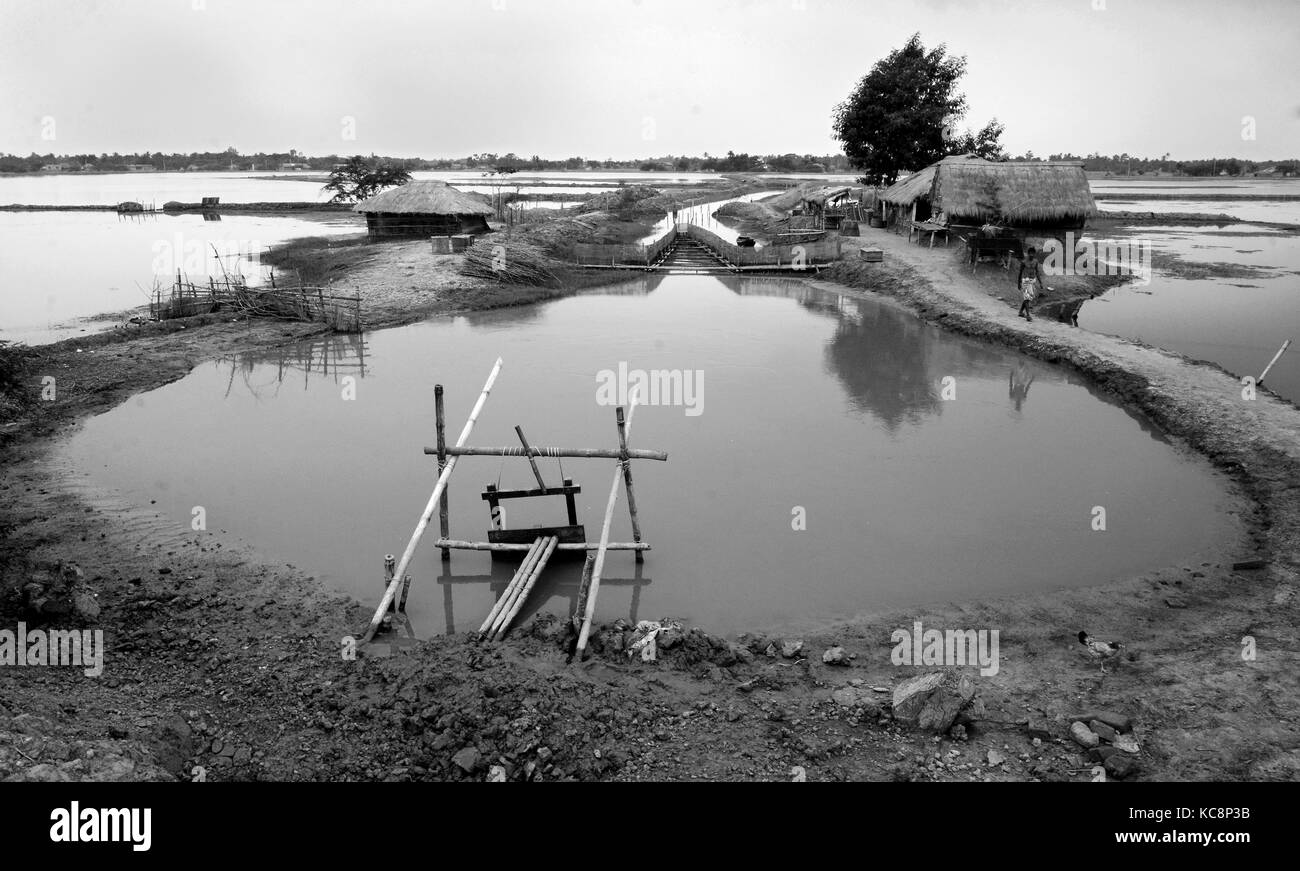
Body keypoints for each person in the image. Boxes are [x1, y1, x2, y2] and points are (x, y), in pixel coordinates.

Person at [1017, 246, 1049, 321]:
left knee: (1028, 298)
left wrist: (1040, 282)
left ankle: (1021, 312)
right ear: (1028, 253)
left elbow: (1037, 272)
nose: (1031, 254)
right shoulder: (1024, 262)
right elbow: (1020, 273)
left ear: (1034, 254)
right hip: (1025, 281)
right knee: (1027, 297)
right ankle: (1028, 315)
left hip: (1032, 281)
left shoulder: (1036, 261)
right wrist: (1018, 283)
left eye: (1033, 253)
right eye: (1030, 253)